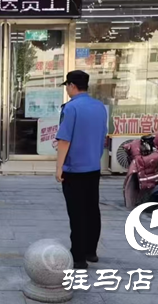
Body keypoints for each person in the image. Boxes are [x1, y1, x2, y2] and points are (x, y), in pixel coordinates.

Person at [55, 70, 107, 269]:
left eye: (67, 86)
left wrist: (59, 168)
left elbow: (64, 140)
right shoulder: (99, 107)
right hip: (93, 167)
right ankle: (90, 251)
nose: (67, 90)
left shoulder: (71, 108)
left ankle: (78, 257)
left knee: (77, 213)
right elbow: (102, 135)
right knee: (92, 209)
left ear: (72, 86)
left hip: (74, 169)